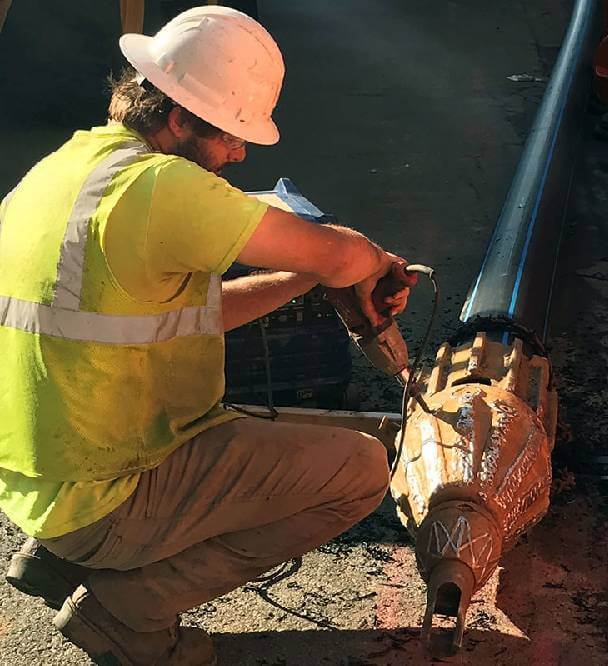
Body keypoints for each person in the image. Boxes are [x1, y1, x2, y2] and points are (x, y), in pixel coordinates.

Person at [0, 6, 407, 664]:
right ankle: (129, 611)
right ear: (180, 117)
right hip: (110, 495)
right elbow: (345, 256)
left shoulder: (63, 170)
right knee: (359, 470)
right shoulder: (164, 188)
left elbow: (194, 316)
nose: (240, 154)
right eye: (230, 135)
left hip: (39, 487)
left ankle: (55, 561)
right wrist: (369, 263)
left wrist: (299, 280)